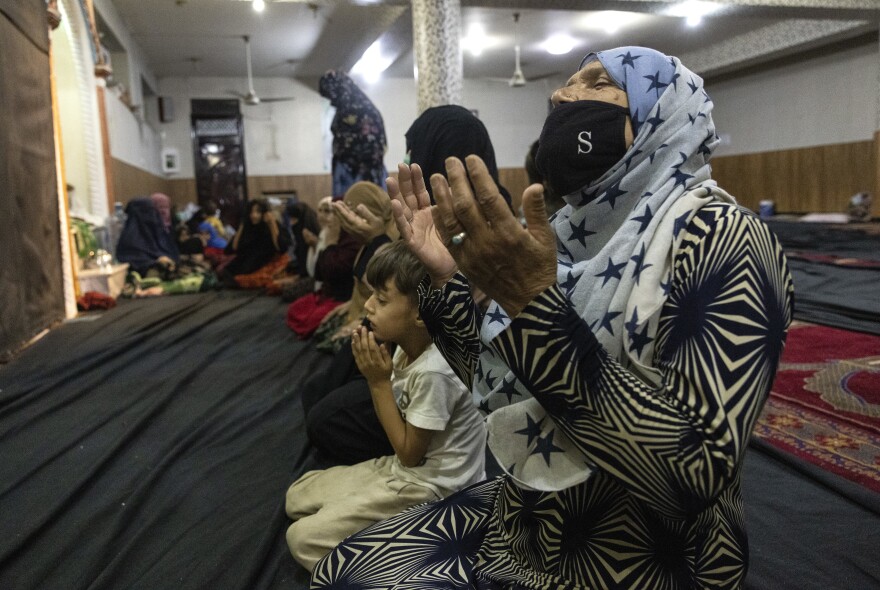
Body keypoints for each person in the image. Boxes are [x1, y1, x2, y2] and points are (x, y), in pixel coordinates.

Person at [311, 46, 794, 589]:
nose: (562, 95)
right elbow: (502, 390)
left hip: (639, 553)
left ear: (657, 115)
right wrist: (447, 281)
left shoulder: (724, 238)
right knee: (343, 568)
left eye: (596, 81)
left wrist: (530, 305)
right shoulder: (569, 236)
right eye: (565, 84)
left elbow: (691, 476)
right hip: (531, 516)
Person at [301, 106, 508, 465]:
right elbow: (393, 281)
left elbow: (419, 291)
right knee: (323, 387)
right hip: (409, 352)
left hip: (447, 371)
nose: (409, 159)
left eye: (415, 150)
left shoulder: (485, 218)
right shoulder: (423, 209)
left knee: (327, 418)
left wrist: (379, 241)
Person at [284, 240, 487, 572]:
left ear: (421, 313)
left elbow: (410, 453)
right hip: (403, 470)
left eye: (381, 299)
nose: (368, 308)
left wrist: (378, 383)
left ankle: (417, 553)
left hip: (435, 490)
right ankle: (381, 529)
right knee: (298, 494)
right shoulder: (406, 345)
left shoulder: (436, 370)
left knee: (302, 539)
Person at [312, 181, 399, 352]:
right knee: (320, 331)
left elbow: (389, 296)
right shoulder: (364, 241)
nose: (348, 220)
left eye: (353, 211)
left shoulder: (392, 243)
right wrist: (349, 304)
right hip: (357, 310)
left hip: (377, 320)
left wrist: (362, 320)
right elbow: (322, 275)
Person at [318, 70, 388, 197]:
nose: (331, 101)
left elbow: (373, 147)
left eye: (331, 96)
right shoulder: (353, 109)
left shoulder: (360, 111)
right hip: (355, 171)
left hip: (360, 174)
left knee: (360, 207)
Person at [220, 199, 290, 287]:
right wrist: (241, 227)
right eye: (251, 212)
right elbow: (232, 249)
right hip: (247, 261)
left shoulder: (273, 225)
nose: (253, 215)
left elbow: (281, 248)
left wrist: (271, 223)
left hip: (264, 261)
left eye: (257, 212)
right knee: (226, 272)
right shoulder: (248, 227)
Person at [116, 197, 179, 276]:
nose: (152, 216)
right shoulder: (130, 242)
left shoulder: (161, 233)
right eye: (146, 212)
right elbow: (133, 263)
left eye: (153, 211)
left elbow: (173, 255)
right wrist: (155, 263)